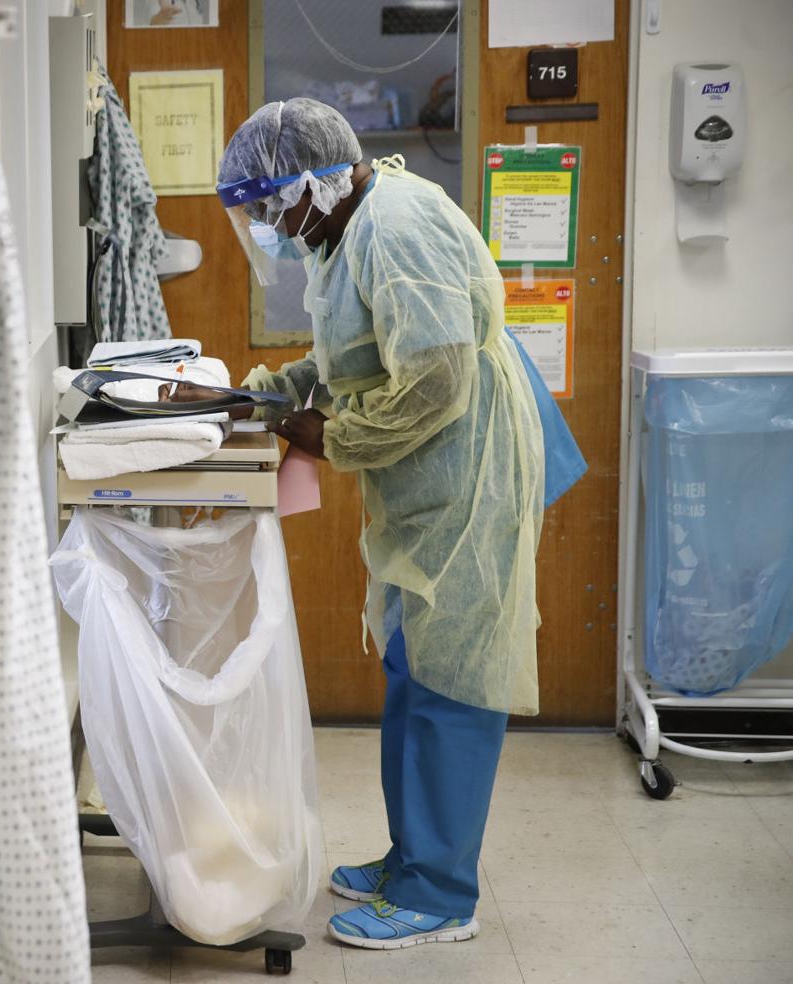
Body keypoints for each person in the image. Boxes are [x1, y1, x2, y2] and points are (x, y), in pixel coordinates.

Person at [171, 98, 559, 950]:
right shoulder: (345, 230)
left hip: (467, 472)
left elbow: (435, 379)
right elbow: (345, 360)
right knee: (413, 667)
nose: (271, 227)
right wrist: (252, 396)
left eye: (272, 207)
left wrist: (334, 436)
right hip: (425, 478)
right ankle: (410, 857)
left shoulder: (395, 226)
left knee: (454, 679)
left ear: (310, 182)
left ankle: (441, 894)